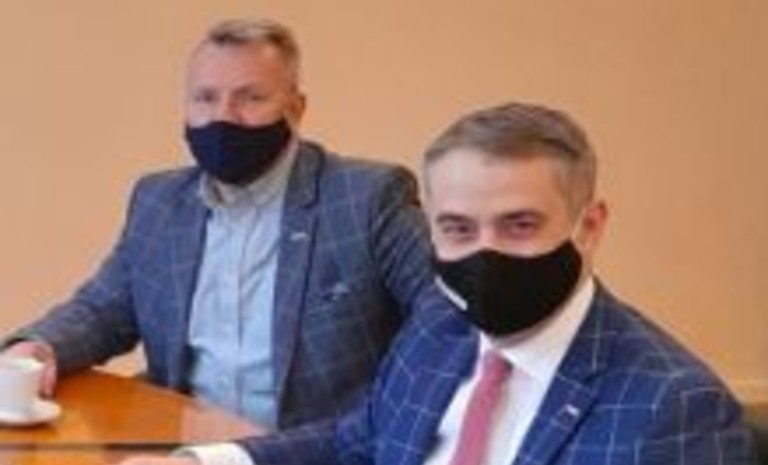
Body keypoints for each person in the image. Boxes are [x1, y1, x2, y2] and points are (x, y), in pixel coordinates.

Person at [119, 101, 757, 464]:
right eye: (458, 228)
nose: (485, 252)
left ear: (589, 227)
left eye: (519, 225)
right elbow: (358, 440)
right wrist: (210, 461)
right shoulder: (439, 328)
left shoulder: (675, 407)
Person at [1, 18, 434, 432]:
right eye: (205, 98)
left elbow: (442, 319)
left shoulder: (367, 198)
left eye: (251, 98)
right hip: (181, 446)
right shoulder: (159, 201)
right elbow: (103, 310)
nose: (223, 117)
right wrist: (40, 346)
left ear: (296, 108)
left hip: (318, 449)